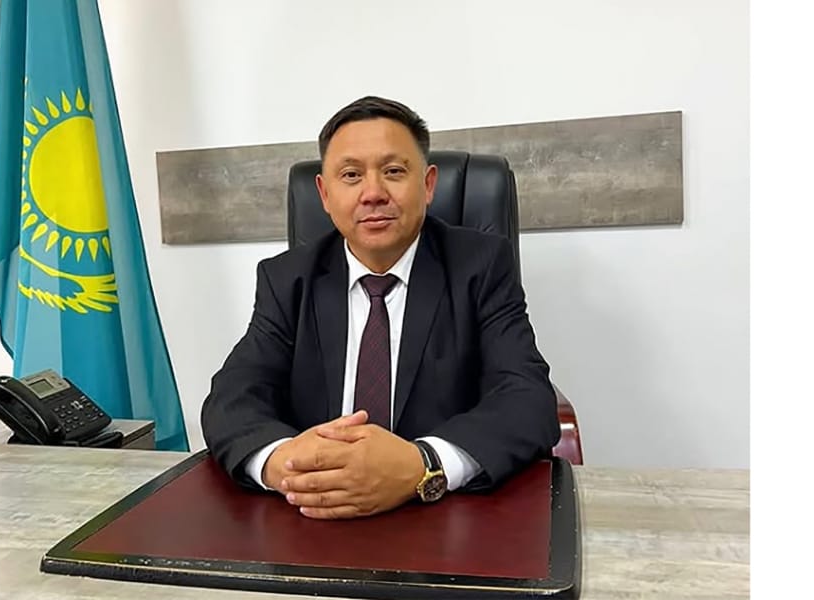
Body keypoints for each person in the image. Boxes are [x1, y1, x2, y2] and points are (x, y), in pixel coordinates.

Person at [201, 95, 560, 520]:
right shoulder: (287, 279)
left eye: (393, 171)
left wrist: (422, 464)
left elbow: (527, 398)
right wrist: (285, 463)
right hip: (313, 517)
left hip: (442, 516)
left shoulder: (480, 267)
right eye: (351, 175)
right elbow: (232, 398)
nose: (373, 193)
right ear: (325, 193)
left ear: (428, 184)